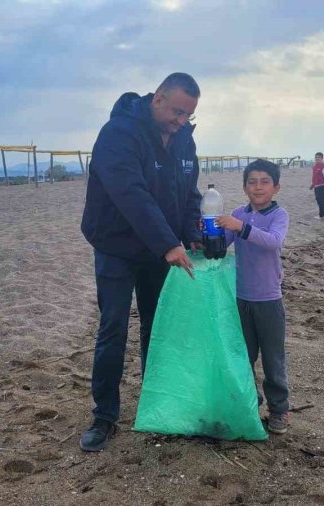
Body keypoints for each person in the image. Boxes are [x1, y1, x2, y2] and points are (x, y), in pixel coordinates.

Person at [79, 73, 204, 452]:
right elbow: (129, 192)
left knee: (157, 326)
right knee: (113, 328)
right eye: (178, 112)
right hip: (116, 246)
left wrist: (191, 233)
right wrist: (168, 243)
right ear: (158, 99)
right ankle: (104, 415)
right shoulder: (119, 132)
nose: (181, 121)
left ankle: (156, 402)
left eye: (189, 115)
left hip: (157, 249)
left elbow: (187, 191)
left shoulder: (184, 139)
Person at [215, 159, 290, 434]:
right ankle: (249, 403)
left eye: (264, 182)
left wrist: (240, 227)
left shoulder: (278, 216)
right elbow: (222, 244)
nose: (258, 187)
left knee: (273, 359)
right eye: (252, 182)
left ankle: (279, 409)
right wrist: (209, 232)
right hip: (240, 299)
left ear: (276, 187)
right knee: (242, 357)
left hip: (269, 301)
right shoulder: (238, 213)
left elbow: (273, 242)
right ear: (245, 187)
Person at [309, 152, 324, 220]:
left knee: (320, 200)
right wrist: (312, 185)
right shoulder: (314, 166)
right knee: (319, 200)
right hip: (316, 186)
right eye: (316, 157)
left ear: (322, 158)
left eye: (318, 157)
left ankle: (321, 215)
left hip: (322, 186)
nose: (317, 159)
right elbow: (315, 177)